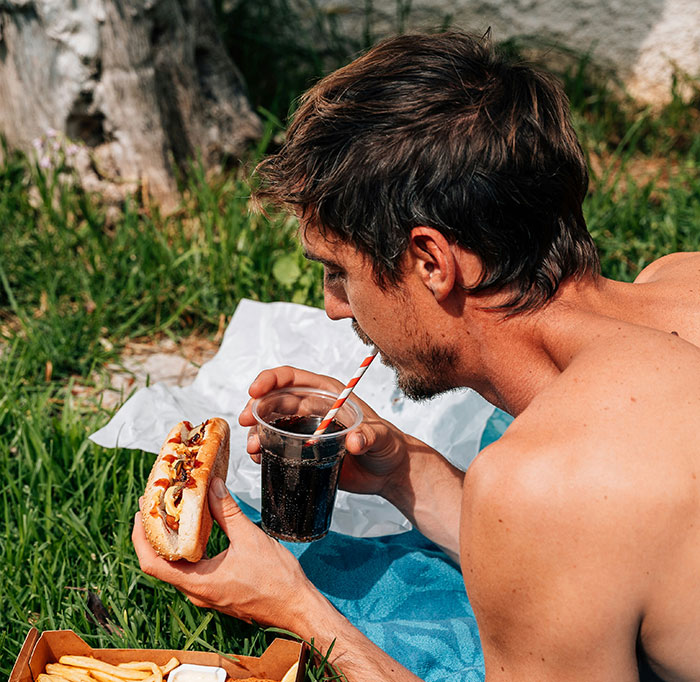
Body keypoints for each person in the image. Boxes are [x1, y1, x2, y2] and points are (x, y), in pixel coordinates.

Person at [132, 31, 700, 681]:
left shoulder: (543, 482)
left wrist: (300, 608)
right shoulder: (682, 277)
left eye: (338, 272)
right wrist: (409, 474)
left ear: (431, 262)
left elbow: (562, 515)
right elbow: (605, 548)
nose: (334, 309)